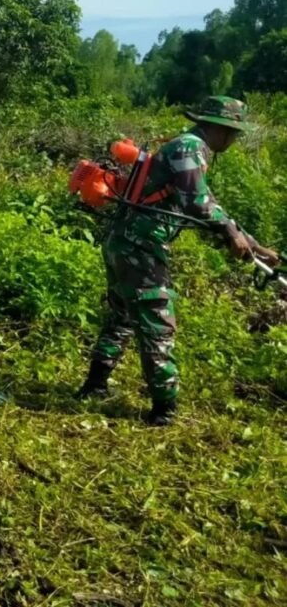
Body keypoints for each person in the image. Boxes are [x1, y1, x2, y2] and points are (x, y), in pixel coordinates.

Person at [77, 96, 278, 426]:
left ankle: (94, 386)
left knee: (122, 316)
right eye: (235, 132)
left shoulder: (185, 147)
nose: (236, 139)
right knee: (158, 323)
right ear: (222, 129)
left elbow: (203, 207)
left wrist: (253, 246)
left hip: (125, 243)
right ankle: (164, 411)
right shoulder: (189, 147)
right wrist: (231, 233)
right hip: (140, 247)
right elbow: (197, 203)